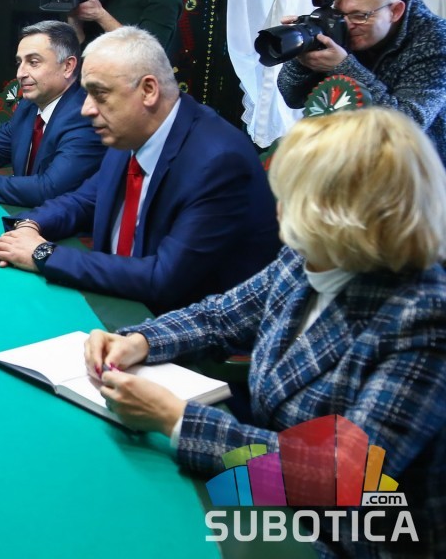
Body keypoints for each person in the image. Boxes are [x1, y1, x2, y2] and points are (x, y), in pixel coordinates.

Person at [84, 107, 446, 556]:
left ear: (343, 211)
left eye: (292, 191)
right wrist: (140, 340)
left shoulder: (426, 317)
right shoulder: (310, 256)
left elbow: (346, 477)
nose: (277, 206)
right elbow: (219, 316)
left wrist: (174, 418)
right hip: (270, 495)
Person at [0, 27, 279, 315]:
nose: (86, 109)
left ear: (148, 90)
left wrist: (43, 254)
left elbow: (164, 278)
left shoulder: (218, 160)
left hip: (180, 327)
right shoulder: (131, 130)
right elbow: (84, 200)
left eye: (100, 94)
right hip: (114, 303)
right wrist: (31, 225)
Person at [277, 0, 446, 164]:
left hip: (411, 166)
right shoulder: (340, 24)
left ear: (395, 11)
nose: (348, 25)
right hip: (342, 154)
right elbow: (292, 98)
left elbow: (407, 127)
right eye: (340, 14)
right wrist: (302, 56)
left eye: (359, 16)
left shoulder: (435, 40)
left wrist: (343, 66)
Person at [0, 21, 105, 207]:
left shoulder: (85, 116)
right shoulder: (28, 106)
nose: (20, 73)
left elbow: (49, 189)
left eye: (33, 62)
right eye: (19, 62)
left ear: (68, 66)